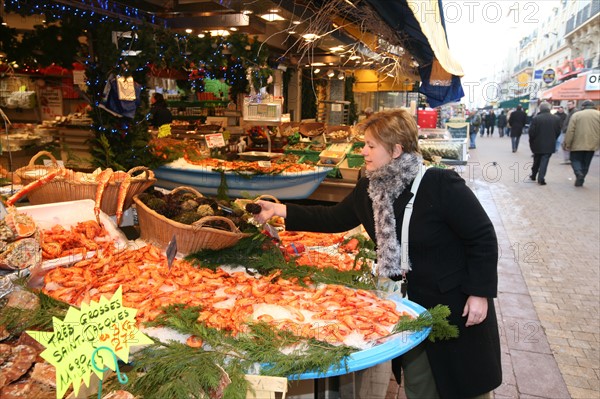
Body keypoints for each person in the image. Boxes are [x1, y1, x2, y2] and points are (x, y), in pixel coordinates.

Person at [254, 109, 502, 399]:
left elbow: (482, 237)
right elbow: (333, 219)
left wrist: (479, 293)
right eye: (364, 144)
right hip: (408, 308)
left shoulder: (439, 184)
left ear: (396, 150)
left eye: (371, 146)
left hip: (455, 304)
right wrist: (280, 210)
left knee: (462, 384)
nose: (363, 151)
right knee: (420, 385)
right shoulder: (369, 188)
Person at [563, 100, 600, 187]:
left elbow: (570, 130)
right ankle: (581, 179)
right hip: (592, 144)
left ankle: (578, 173)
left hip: (577, 143)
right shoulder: (598, 115)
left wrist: (567, 143)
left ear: (583, 106)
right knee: (586, 163)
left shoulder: (576, 115)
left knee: (575, 160)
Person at [528, 102, 562, 185]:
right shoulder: (556, 118)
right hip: (549, 143)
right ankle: (541, 178)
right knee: (545, 161)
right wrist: (553, 138)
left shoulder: (536, 118)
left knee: (536, 160)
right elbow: (558, 131)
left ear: (540, 109)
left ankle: (533, 175)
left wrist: (532, 141)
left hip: (537, 143)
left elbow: (531, 132)